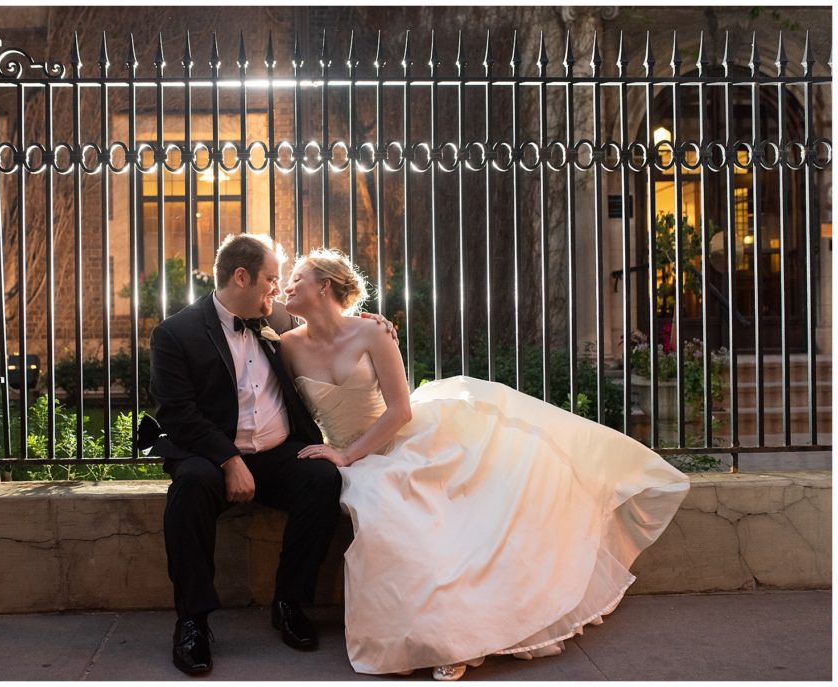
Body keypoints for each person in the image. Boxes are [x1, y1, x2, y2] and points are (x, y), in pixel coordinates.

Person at [279, 248, 691, 681]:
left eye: (296, 278)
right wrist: (339, 455)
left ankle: (458, 636)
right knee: (387, 520)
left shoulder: (372, 333)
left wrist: (349, 454)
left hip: (394, 442)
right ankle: (436, 637)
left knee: (432, 517)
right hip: (347, 460)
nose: (286, 286)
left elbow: (399, 411)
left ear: (324, 286)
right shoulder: (286, 345)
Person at [148, 233, 342, 676]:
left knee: (322, 479)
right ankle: (193, 622)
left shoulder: (279, 319)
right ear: (241, 277)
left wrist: (371, 323)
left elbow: (335, 330)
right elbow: (177, 413)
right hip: (211, 456)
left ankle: (289, 603)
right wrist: (229, 461)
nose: (278, 288)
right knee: (189, 488)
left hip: (277, 453)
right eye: (271, 279)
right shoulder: (175, 333)